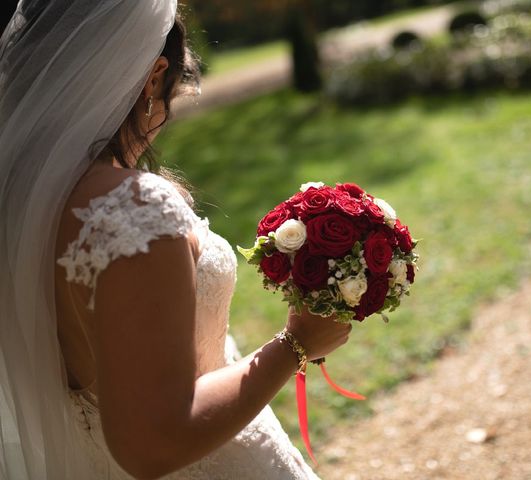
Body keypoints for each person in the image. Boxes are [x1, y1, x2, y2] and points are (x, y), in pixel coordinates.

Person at [0, 1, 351, 478]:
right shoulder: (133, 209)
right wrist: (298, 342)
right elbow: (154, 442)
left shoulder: (21, 202)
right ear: (153, 76)